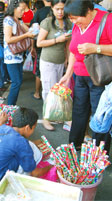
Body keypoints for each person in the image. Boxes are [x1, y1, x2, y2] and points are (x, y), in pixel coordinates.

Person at [59, 0, 112, 153]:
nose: (73, 22)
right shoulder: (78, 24)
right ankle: (74, 146)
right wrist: (68, 74)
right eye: (71, 19)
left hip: (101, 77)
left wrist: (96, 48)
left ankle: (99, 153)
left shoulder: (109, 20)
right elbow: (74, 50)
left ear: (88, 11)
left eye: (75, 18)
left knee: (100, 115)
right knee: (79, 111)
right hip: (80, 76)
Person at [0, 107, 53, 199]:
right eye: (34, 128)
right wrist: (51, 166)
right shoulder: (22, 143)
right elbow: (34, 173)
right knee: (27, 167)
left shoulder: (3, 128)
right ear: (28, 127)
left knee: (11, 155)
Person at [37, 0, 72, 131]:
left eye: (62, 9)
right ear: (52, 8)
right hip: (48, 62)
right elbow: (39, 43)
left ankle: (56, 114)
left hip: (60, 61)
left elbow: (68, 45)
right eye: (57, 9)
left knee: (58, 91)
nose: (60, 12)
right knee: (48, 90)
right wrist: (57, 40)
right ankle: (46, 118)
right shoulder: (47, 22)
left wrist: (68, 59)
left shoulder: (68, 23)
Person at [4, 0, 35, 105]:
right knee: (16, 82)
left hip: (18, 55)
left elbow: (29, 31)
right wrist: (26, 35)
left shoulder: (17, 20)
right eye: (21, 10)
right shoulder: (9, 20)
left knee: (18, 81)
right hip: (11, 56)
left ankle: (11, 106)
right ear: (14, 8)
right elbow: (8, 39)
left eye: (24, 10)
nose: (23, 12)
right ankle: (10, 107)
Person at [30, 0, 52, 100]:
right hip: (56, 47)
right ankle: (53, 94)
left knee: (39, 71)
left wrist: (32, 47)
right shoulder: (58, 12)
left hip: (41, 46)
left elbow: (33, 31)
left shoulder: (39, 12)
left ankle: (37, 93)